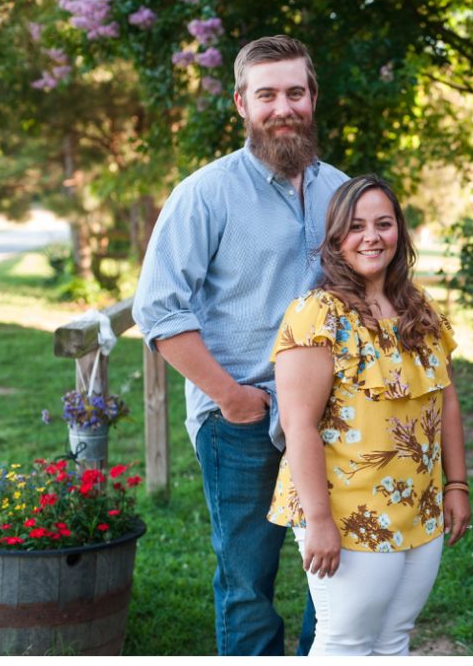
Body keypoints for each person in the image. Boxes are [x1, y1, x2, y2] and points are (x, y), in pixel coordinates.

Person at [133, 35, 348, 656]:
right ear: (241, 104)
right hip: (244, 419)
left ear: (312, 99)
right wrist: (230, 397)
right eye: (267, 95)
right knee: (248, 581)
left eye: (295, 92)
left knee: (335, 574)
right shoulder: (206, 193)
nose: (283, 107)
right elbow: (159, 309)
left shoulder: (340, 190)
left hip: (337, 417)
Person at [267, 174, 471, 656]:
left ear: (400, 231)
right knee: (345, 643)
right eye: (356, 226)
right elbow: (298, 425)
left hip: (419, 506)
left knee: (393, 641)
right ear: (336, 237)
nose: (372, 236)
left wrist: (456, 485)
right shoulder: (318, 314)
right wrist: (318, 520)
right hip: (347, 510)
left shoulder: (420, 311)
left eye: (383, 223)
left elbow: (447, 401)